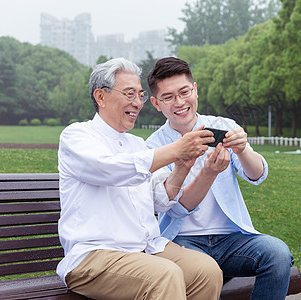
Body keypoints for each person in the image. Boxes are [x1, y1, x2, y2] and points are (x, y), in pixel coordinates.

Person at [57, 57, 224, 300]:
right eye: (129, 94)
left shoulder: (137, 144)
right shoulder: (77, 136)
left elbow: (160, 198)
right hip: (95, 255)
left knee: (206, 270)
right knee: (165, 275)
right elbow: (111, 170)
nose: (137, 103)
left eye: (140, 95)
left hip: (147, 249)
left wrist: (182, 168)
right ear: (100, 97)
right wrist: (176, 149)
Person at [146, 57, 293, 299]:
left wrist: (243, 149)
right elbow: (174, 208)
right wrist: (208, 172)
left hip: (232, 239)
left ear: (196, 90)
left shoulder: (222, 126)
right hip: (182, 241)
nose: (180, 102)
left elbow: (257, 175)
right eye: (168, 97)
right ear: (156, 103)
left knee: (277, 253)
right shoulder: (154, 147)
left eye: (185, 92)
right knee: (206, 270)